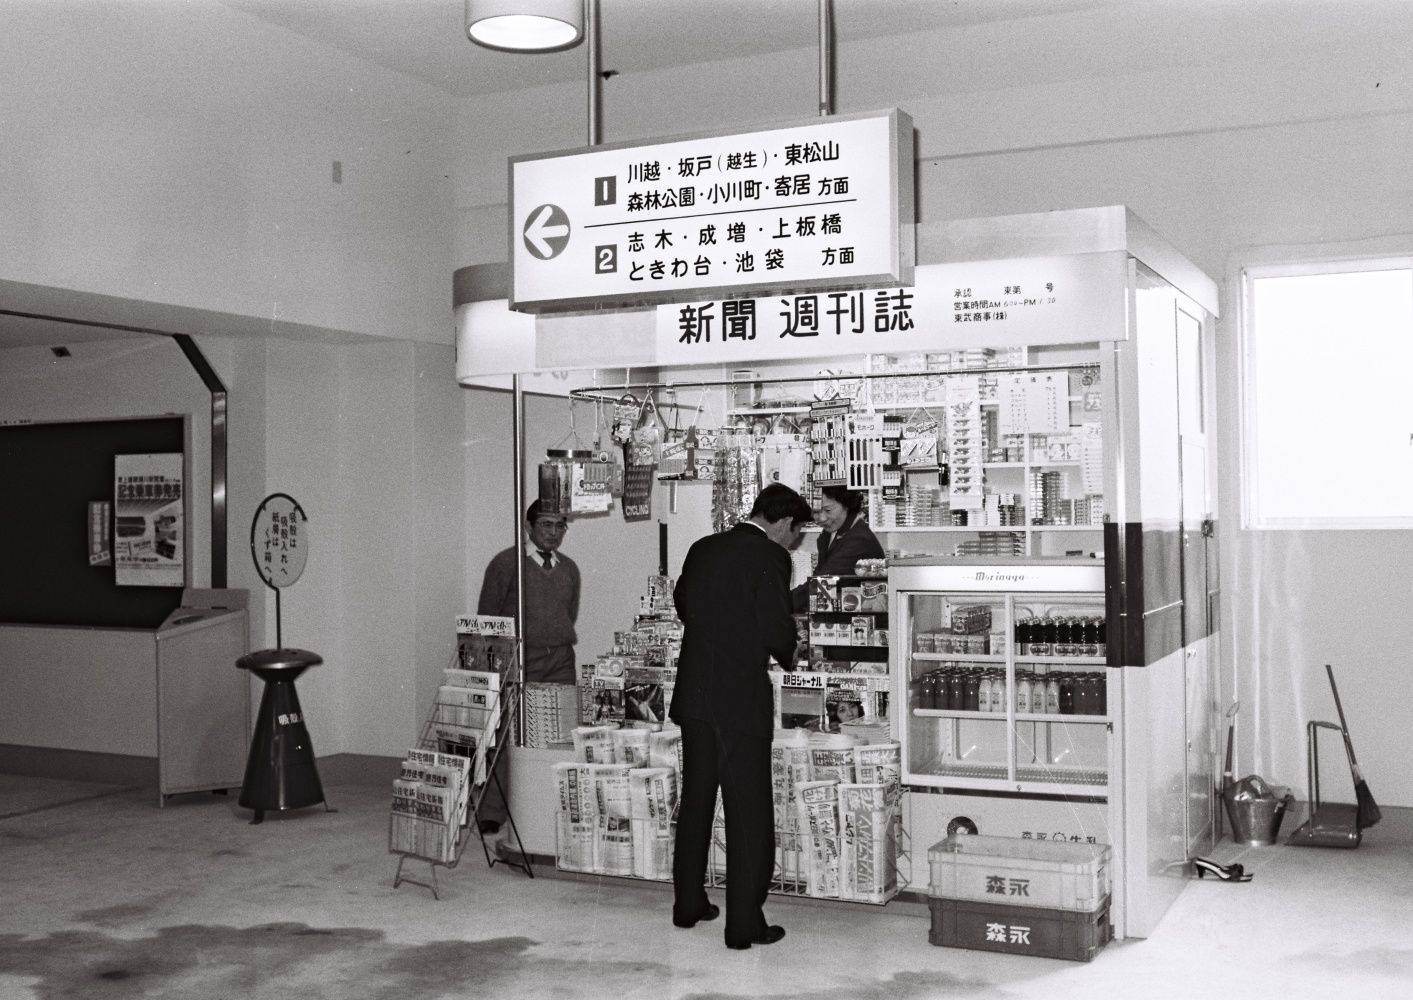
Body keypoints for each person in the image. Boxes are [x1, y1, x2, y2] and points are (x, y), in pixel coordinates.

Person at [670, 483, 812, 950]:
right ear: (784, 522)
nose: (794, 543)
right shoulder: (771, 558)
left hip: (694, 694)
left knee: (695, 802)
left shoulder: (702, 547)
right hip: (739, 701)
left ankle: (689, 905)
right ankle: (744, 925)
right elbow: (775, 627)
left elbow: (684, 604)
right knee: (748, 811)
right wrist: (793, 650)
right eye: (795, 533)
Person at [474, 499, 581, 834]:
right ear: (529, 526)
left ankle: (547, 807)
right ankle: (493, 810)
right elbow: (487, 617)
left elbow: (568, 615)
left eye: (560, 525)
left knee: (558, 735)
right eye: (546, 524)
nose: (553, 532)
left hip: (560, 658)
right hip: (519, 660)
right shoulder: (506, 564)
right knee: (509, 735)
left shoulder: (569, 568)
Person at [791, 485, 886, 612]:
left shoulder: (858, 540)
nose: (821, 518)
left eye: (828, 510)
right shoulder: (831, 533)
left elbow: (821, 585)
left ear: (846, 505)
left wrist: (780, 603)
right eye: (815, 512)